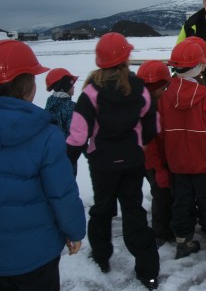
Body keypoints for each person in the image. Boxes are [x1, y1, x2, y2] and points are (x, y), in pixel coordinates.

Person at [66, 32, 160, 290]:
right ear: (126, 58)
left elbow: (77, 134)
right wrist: (139, 144)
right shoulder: (139, 88)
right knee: (134, 211)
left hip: (102, 165)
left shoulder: (91, 92)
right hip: (132, 162)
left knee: (102, 210)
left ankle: (101, 257)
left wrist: (69, 161)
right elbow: (153, 125)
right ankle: (148, 271)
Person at [0, 40, 86, 291]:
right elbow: (61, 194)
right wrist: (74, 230)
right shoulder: (46, 136)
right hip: (35, 256)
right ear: (28, 85)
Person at [156, 40, 206, 259]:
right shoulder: (205, 97)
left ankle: (183, 242)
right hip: (202, 162)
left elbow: (160, 131)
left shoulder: (165, 96)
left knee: (181, 202)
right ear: (198, 67)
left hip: (177, 163)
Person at [136, 60, 174, 247]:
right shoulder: (148, 110)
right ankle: (161, 232)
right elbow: (150, 147)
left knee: (164, 195)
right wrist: (159, 170)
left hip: (153, 161)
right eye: (164, 87)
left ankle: (165, 227)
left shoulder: (146, 102)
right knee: (161, 195)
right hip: (152, 163)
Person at [45, 67, 79, 175]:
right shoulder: (70, 107)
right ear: (64, 87)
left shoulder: (50, 101)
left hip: (50, 152)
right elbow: (76, 134)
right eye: (71, 83)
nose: (73, 86)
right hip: (68, 154)